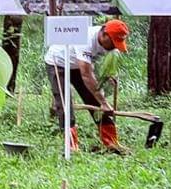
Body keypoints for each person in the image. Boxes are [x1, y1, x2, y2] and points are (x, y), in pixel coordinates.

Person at [43, 19, 130, 154]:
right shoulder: (86, 39)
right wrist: (104, 102)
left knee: (94, 100)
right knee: (65, 104)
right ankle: (71, 147)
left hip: (77, 63)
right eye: (113, 42)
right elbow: (87, 75)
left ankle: (111, 143)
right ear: (104, 34)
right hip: (58, 62)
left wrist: (107, 77)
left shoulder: (107, 42)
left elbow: (93, 64)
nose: (114, 46)